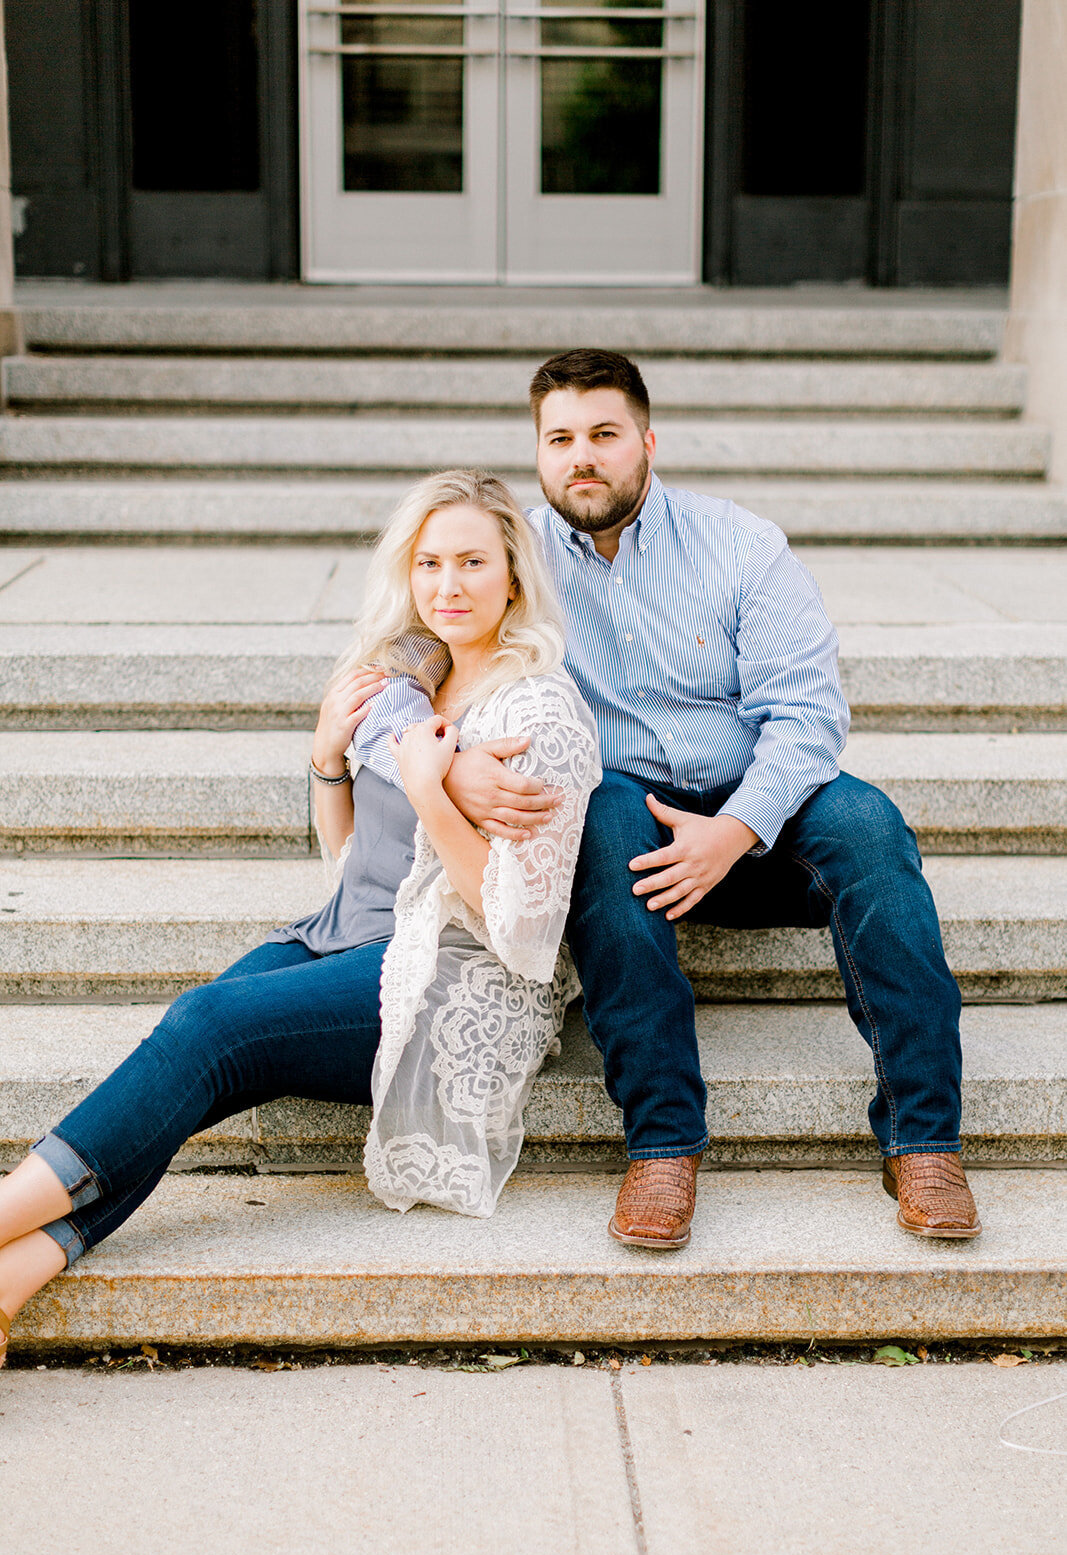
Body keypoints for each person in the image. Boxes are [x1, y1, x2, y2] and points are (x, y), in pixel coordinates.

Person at [350, 349, 982, 1251]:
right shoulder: (512, 556)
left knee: (869, 827)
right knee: (602, 820)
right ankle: (662, 1142)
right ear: (537, 453)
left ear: (646, 441)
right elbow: (403, 667)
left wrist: (733, 829)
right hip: (629, 818)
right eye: (559, 438)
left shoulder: (739, 544)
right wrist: (441, 768)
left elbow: (805, 714)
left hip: (761, 809)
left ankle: (923, 1138)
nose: (583, 457)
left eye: (604, 435)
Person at [0, 470, 600, 1365]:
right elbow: (357, 856)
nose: (448, 585)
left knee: (207, 1025)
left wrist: (436, 792)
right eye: (429, 562)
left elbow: (522, 930)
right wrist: (329, 756)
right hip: (340, 935)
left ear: (513, 574)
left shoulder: (538, 711)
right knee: (188, 1058)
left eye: (473, 562)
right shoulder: (408, 679)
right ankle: (11, 1283)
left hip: (442, 972)